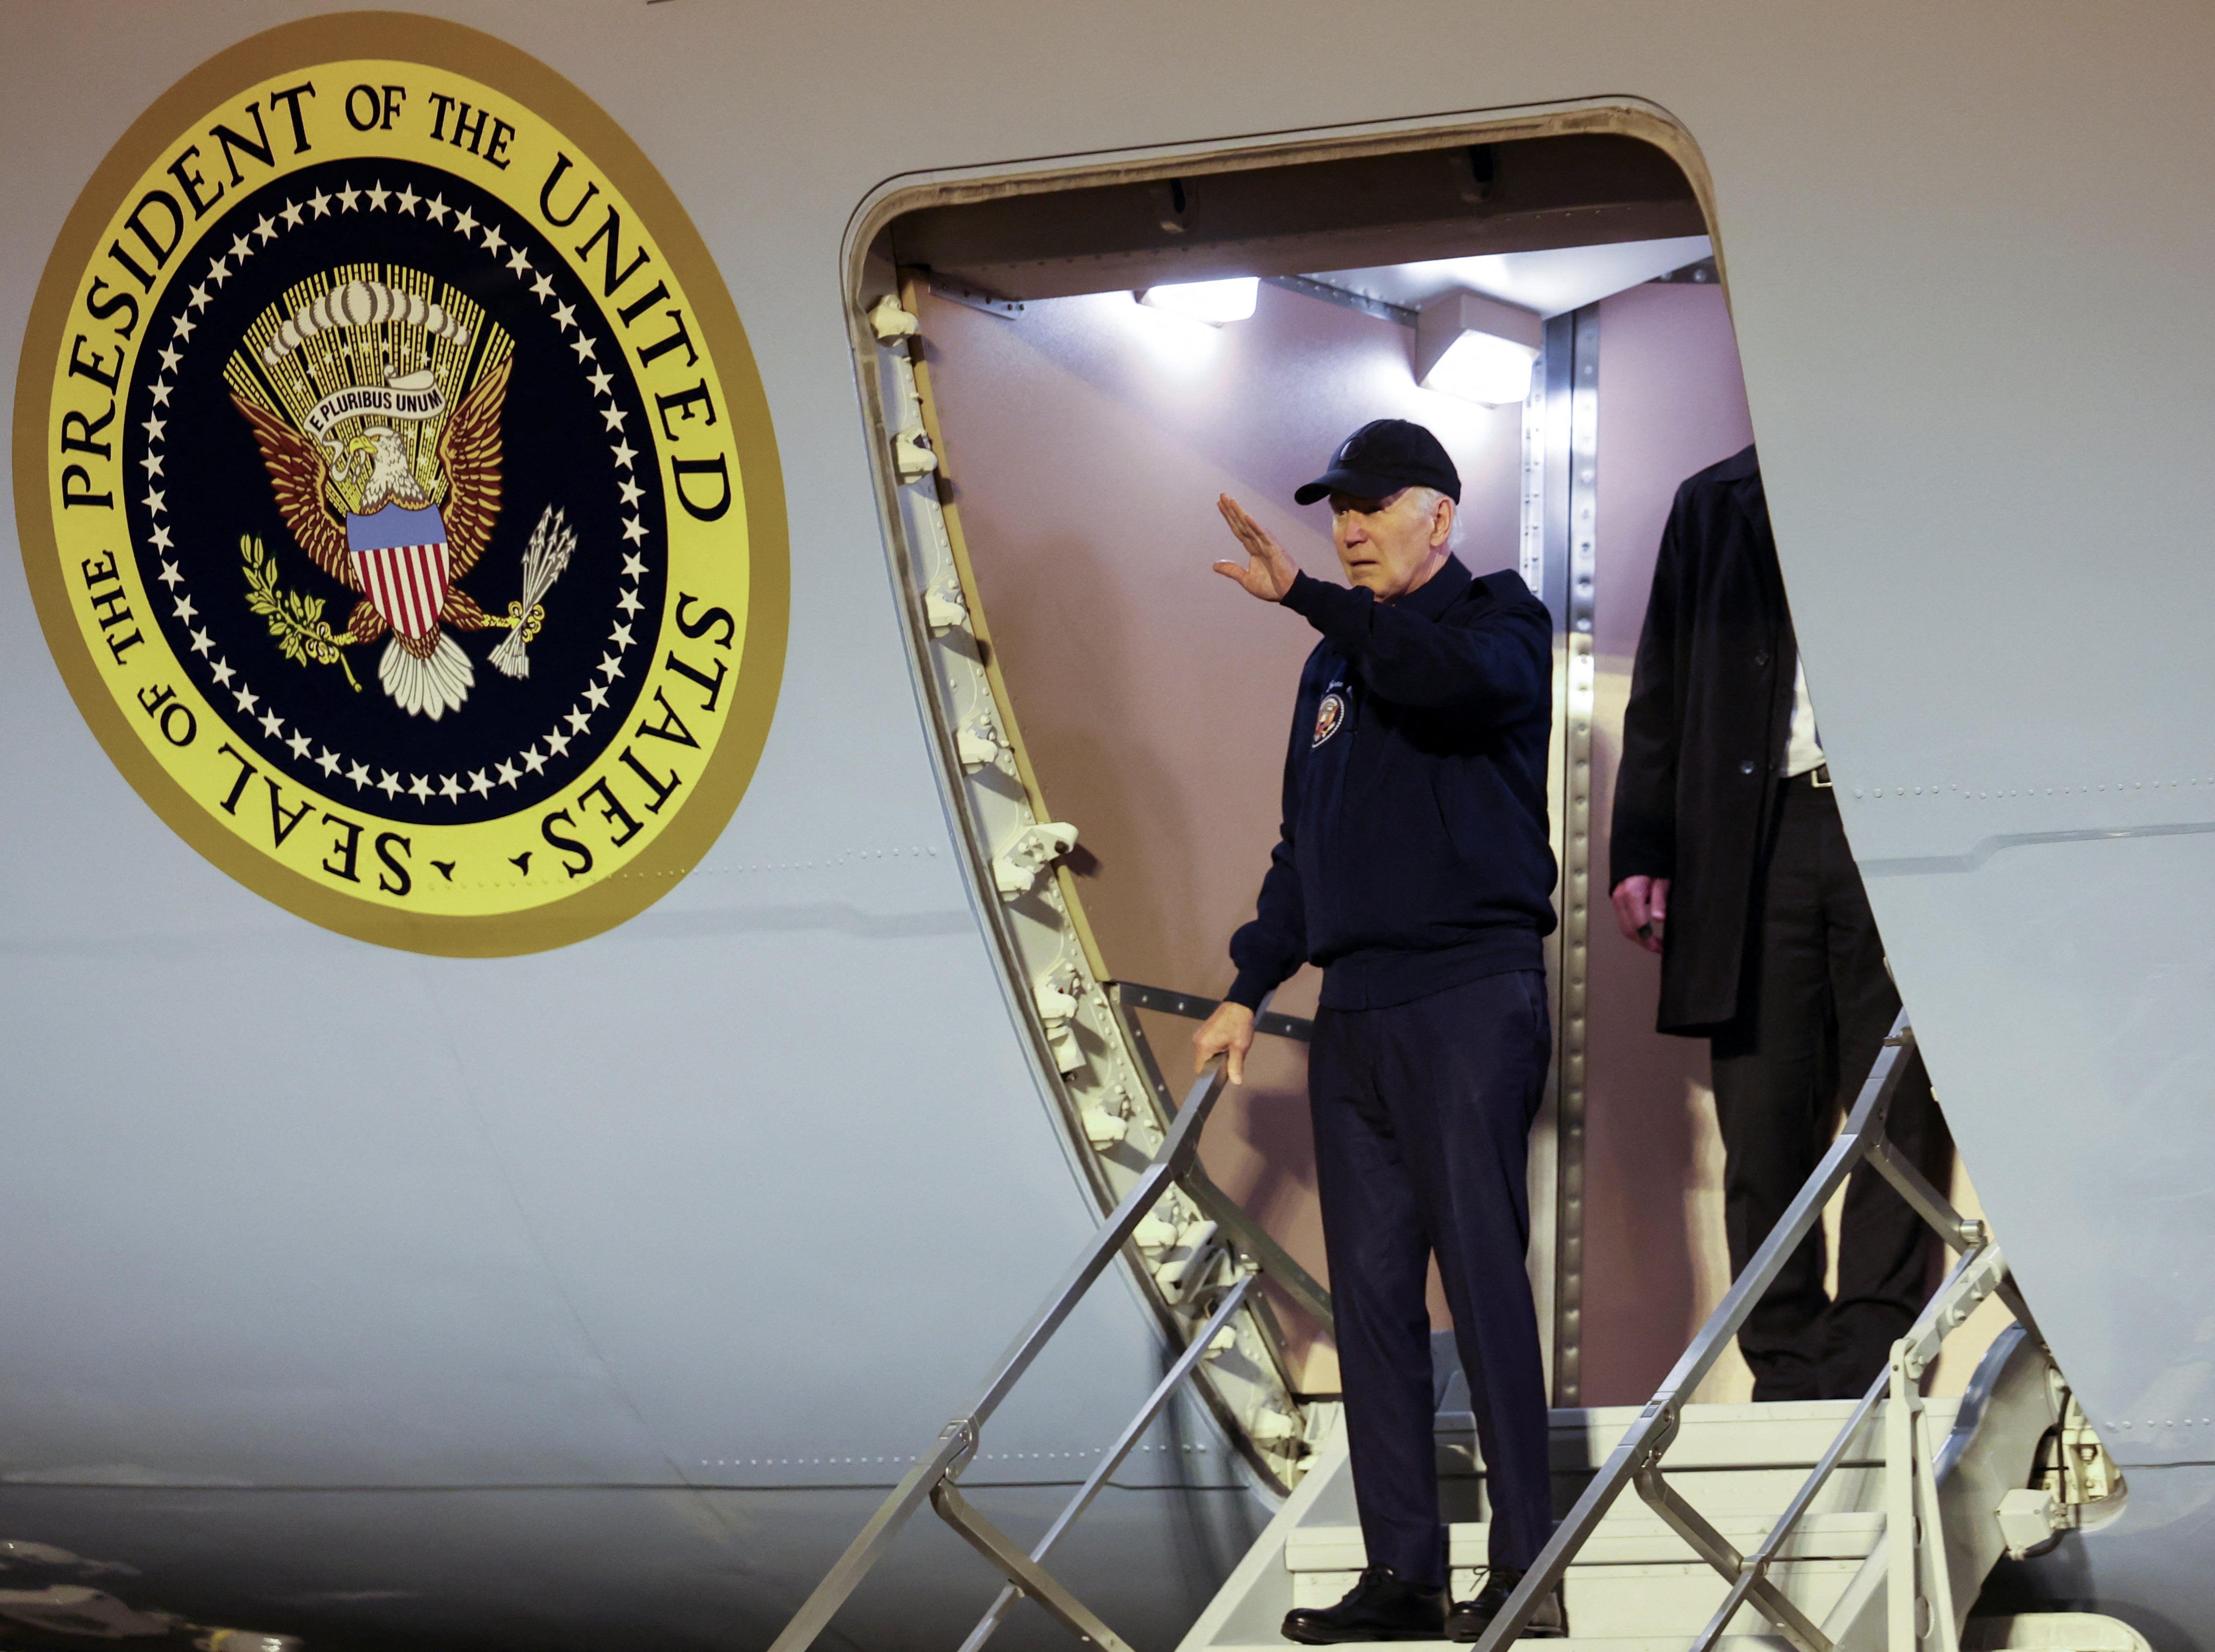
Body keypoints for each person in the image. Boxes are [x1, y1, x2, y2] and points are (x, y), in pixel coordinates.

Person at [1192, 419, 1565, 1642]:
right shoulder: (1334, 667)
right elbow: (1308, 846)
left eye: (1371, 504)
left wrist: (1303, 595)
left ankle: (1530, 1565)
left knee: (1483, 1283)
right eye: (1335, 508)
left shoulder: (1499, 620)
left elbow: (1448, 684)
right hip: (1353, 1008)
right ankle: (1404, 1570)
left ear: (1439, 517)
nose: (1346, 526)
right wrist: (1251, 982)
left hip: (1468, 995)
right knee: (1370, 1300)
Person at [1610, 443, 1947, 1402]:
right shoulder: (1716, 498)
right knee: (1762, 1113)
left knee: (1898, 1096)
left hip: (1896, 817)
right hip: (1760, 829)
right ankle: (1788, 1363)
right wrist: (1643, 843)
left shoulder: (1916, 479)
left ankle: (1874, 1352)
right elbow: (1663, 690)